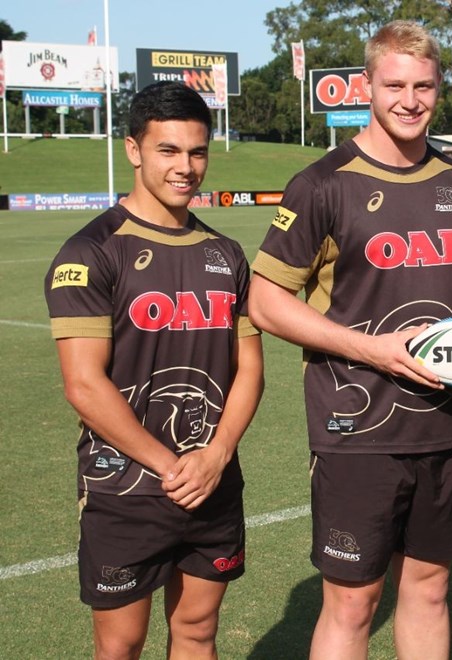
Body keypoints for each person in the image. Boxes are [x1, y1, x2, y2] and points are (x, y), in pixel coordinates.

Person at [248, 20, 452, 660]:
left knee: (430, 591)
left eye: (424, 87)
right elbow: (266, 301)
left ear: (439, 88)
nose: (410, 101)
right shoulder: (322, 184)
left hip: (446, 426)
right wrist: (376, 349)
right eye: (395, 86)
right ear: (366, 86)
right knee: (353, 603)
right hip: (355, 431)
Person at [44, 81, 264, 659]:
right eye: (168, 150)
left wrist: (215, 456)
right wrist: (171, 466)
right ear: (134, 149)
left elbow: (250, 369)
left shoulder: (226, 254)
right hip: (127, 487)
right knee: (121, 645)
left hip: (212, 481)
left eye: (197, 152)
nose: (185, 167)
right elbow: (83, 384)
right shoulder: (91, 251)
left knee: (198, 630)